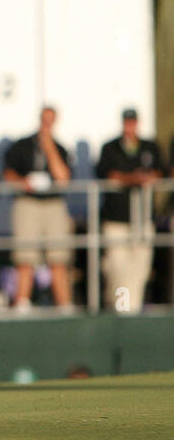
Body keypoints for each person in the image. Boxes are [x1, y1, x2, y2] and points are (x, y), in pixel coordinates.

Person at [1, 106, 75, 309]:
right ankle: (22, 303)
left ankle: (63, 304)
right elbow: (8, 174)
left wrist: (49, 147)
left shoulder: (60, 148)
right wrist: (24, 182)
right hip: (28, 202)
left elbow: (63, 178)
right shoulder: (22, 146)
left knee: (58, 257)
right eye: (45, 120)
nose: (47, 125)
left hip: (52, 204)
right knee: (26, 257)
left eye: (51, 121)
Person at [94, 108, 165, 314]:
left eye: (133, 122)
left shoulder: (149, 147)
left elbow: (159, 171)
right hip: (117, 218)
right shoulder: (111, 148)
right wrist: (132, 179)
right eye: (127, 122)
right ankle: (121, 310)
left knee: (140, 268)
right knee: (118, 268)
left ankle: (134, 309)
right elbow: (107, 174)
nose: (130, 126)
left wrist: (147, 177)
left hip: (143, 218)